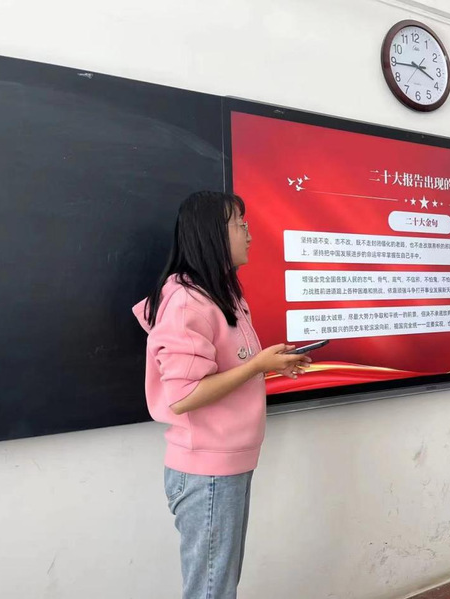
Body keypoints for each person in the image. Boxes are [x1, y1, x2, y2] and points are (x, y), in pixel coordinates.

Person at [132, 191, 311, 599]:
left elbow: (230, 368)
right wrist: (257, 365)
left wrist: (270, 363)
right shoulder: (187, 303)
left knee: (219, 586)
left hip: (227, 464)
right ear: (212, 233)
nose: (249, 234)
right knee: (212, 591)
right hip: (207, 470)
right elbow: (184, 394)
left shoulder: (223, 295)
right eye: (239, 225)